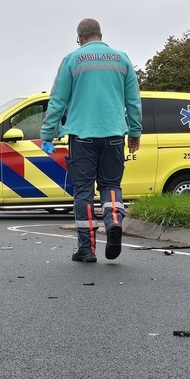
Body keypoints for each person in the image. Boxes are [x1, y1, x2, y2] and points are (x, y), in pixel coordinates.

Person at [40, 18, 142, 263]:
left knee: (84, 191)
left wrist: (47, 133)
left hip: (82, 136)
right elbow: (134, 101)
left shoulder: (72, 60)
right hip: (114, 135)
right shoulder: (122, 59)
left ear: (80, 38)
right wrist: (135, 132)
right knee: (111, 185)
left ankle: (87, 249)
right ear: (100, 34)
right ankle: (114, 221)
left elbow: (57, 101)